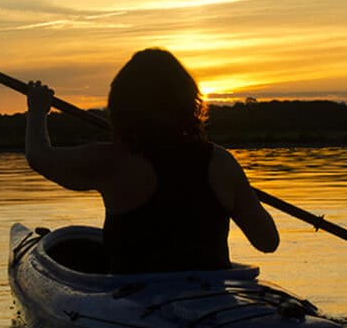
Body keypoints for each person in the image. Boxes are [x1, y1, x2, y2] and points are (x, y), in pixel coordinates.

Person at [24, 48, 279, 273]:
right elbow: (267, 241)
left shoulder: (113, 161)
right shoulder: (221, 162)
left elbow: (39, 156)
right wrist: (238, 194)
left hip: (137, 309)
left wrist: (37, 111)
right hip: (214, 305)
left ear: (121, 106)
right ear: (188, 103)